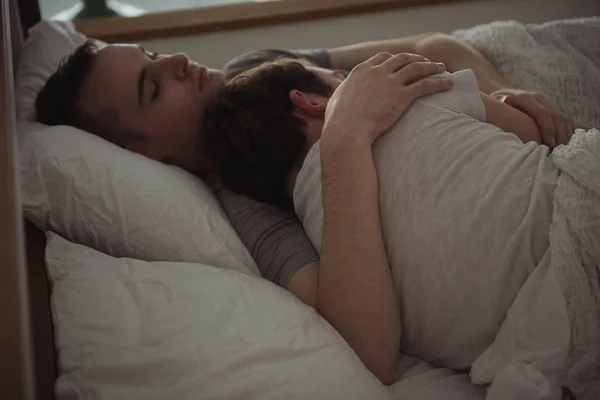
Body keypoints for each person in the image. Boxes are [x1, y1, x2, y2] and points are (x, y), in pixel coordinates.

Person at [34, 33, 578, 384]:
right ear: (144, 154)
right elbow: (368, 343)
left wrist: (507, 96)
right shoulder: (247, 209)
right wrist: (345, 138)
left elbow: (441, 48)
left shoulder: (256, 68)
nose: (178, 59)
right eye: (152, 86)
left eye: (154, 54)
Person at [201, 56, 572, 371]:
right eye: (341, 79)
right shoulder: (417, 96)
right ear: (310, 100)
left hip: (539, 344)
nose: (350, 79)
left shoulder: (326, 243)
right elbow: (543, 136)